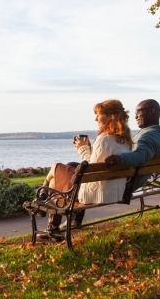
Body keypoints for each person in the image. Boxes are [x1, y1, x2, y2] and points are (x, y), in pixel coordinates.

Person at [41, 100, 133, 239]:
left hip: (98, 193)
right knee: (63, 173)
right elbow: (97, 165)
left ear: (111, 117)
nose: (95, 118)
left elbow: (90, 170)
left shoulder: (104, 139)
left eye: (98, 114)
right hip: (115, 189)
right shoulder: (125, 140)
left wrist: (83, 148)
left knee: (56, 168)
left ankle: (43, 196)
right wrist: (90, 148)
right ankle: (57, 224)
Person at [104, 99, 160, 193]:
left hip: (122, 186)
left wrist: (119, 158)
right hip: (130, 182)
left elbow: (141, 156)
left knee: (76, 169)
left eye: (138, 112)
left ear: (151, 111)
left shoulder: (150, 136)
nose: (135, 117)